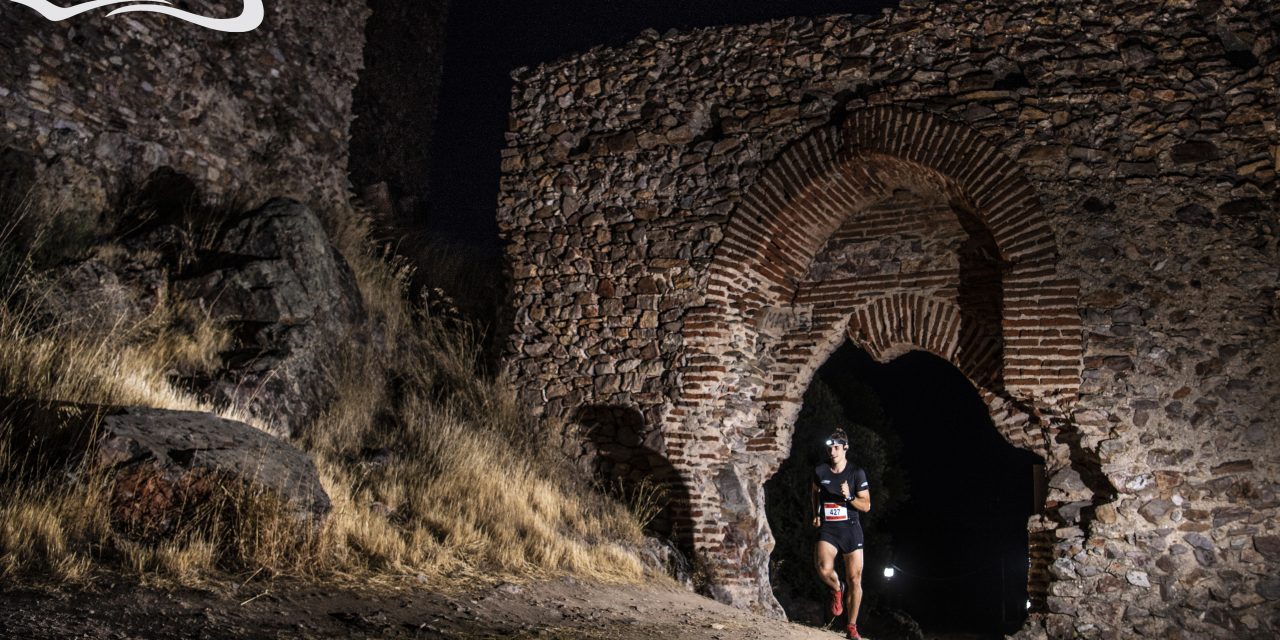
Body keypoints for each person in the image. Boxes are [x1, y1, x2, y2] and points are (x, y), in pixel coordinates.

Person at [812, 428, 871, 640]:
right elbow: (814, 492)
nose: (832, 451)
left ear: (845, 448)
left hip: (851, 530)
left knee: (855, 579)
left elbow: (866, 506)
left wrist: (849, 497)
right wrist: (816, 513)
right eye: (829, 447)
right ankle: (837, 588)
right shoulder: (820, 471)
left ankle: (852, 626)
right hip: (829, 528)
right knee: (823, 568)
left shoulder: (857, 473)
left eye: (837, 447)